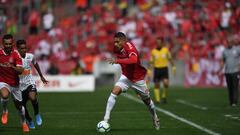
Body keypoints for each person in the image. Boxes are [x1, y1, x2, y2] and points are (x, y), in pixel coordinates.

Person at [102, 32, 160, 130]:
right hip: (126, 77)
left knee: (147, 101)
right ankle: (105, 119)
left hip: (138, 79)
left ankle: (154, 117)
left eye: (117, 42)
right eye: (114, 42)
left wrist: (117, 61)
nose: (115, 44)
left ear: (124, 41)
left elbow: (133, 60)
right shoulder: (116, 49)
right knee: (114, 92)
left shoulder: (130, 46)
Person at [16, 39, 48, 129]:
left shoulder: (30, 56)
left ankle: (37, 114)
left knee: (33, 97)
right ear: (18, 49)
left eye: (25, 48)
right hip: (19, 85)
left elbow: (35, 63)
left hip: (29, 82)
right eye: (22, 48)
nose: (24, 50)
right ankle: (29, 120)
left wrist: (41, 76)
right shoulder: (15, 58)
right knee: (22, 107)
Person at [0, 34, 29, 132]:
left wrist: (11, 66)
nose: (8, 46)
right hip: (3, 81)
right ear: (3, 44)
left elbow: (21, 70)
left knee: (19, 107)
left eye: (10, 44)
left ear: (12, 43)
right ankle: (5, 111)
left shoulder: (16, 54)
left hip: (15, 84)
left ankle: (23, 123)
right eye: (6, 44)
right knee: (4, 95)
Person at [150, 37, 176, 104]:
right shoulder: (153, 51)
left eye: (159, 43)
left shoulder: (166, 50)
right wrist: (149, 70)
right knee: (157, 85)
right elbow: (151, 62)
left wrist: (173, 67)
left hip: (164, 69)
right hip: (157, 69)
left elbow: (170, 59)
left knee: (166, 83)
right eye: (157, 43)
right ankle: (158, 100)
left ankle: (164, 96)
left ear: (162, 43)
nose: (158, 44)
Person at [219, 38, 240, 107]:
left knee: (235, 87)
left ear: (232, 42)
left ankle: (234, 102)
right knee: (230, 87)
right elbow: (222, 60)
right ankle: (231, 102)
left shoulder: (237, 49)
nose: (229, 43)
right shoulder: (224, 51)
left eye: (230, 42)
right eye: (228, 42)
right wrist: (219, 69)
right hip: (227, 71)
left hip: (235, 71)